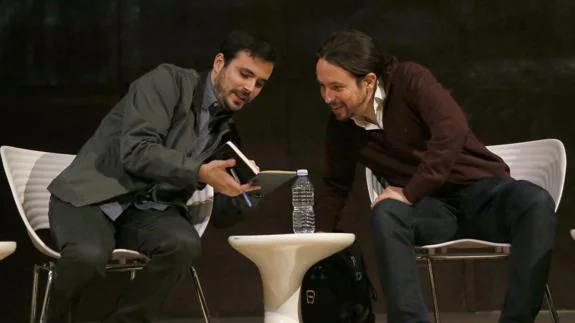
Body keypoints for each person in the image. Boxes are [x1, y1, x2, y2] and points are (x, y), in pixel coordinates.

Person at [313, 29, 557, 323]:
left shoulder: (409, 79)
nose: (327, 97)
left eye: (336, 87)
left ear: (368, 81)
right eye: (322, 87)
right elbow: (335, 184)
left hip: (483, 195)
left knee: (534, 199)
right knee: (387, 212)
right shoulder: (342, 125)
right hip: (431, 211)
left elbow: (451, 129)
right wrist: (315, 242)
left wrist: (409, 191)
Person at [46, 30, 275, 323]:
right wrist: (199, 171)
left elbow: (220, 216)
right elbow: (137, 151)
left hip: (147, 213)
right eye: (245, 74)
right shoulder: (167, 82)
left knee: (184, 245)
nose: (250, 88)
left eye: (259, 83)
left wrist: (248, 192)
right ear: (219, 63)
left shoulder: (226, 132)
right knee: (88, 256)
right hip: (92, 197)